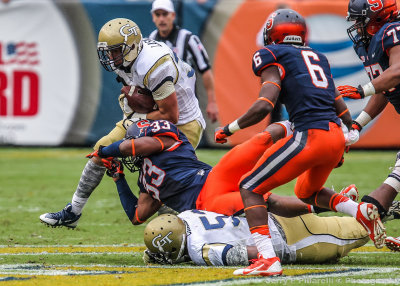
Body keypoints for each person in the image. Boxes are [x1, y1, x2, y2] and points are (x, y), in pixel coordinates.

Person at [213, 9, 386, 276]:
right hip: (334, 136)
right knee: (307, 192)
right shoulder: (317, 57)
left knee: (249, 186)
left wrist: (229, 128)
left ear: (273, 33)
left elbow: (264, 105)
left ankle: (267, 259)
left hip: (310, 136)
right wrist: (350, 130)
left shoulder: (271, 54)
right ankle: (359, 209)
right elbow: (336, 101)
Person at [39, 18, 205, 228]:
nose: (111, 56)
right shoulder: (125, 59)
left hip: (183, 122)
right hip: (152, 116)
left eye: (116, 51)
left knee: (165, 186)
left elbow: (169, 115)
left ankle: (191, 230)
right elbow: (143, 101)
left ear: (133, 47)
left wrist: (137, 117)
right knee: (101, 149)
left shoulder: (154, 64)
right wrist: (134, 110)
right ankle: (74, 210)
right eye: (108, 51)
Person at [337, 0, 400, 235]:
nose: (356, 25)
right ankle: (379, 208)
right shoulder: (370, 43)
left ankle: (375, 209)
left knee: (393, 180)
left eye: (360, 20)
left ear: (378, 18)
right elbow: (386, 89)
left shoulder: (393, 31)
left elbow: (397, 71)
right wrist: (356, 124)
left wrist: (363, 89)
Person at [142, 211, 370, 266]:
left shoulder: (198, 249)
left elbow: (249, 254)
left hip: (292, 240)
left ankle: (382, 208)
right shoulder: (187, 215)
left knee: (363, 230)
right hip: (272, 215)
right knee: (354, 220)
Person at [149, 0, 218, 123]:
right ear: (153, 17)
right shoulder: (151, 39)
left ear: (173, 16)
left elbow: (205, 70)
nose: (161, 19)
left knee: (186, 140)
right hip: (161, 107)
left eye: (165, 14)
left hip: (187, 107)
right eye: (157, 15)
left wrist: (212, 102)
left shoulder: (188, 39)